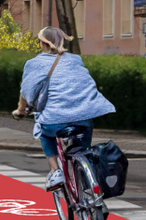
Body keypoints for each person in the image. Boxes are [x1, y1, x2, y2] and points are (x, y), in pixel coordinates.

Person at [12, 27, 115, 191]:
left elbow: (26, 91)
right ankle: (87, 170)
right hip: (84, 117)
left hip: (55, 120)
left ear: (44, 44)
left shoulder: (34, 63)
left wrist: (21, 110)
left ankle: (55, 171)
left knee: (44, 131)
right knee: (83, 146)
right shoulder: (75, 60)